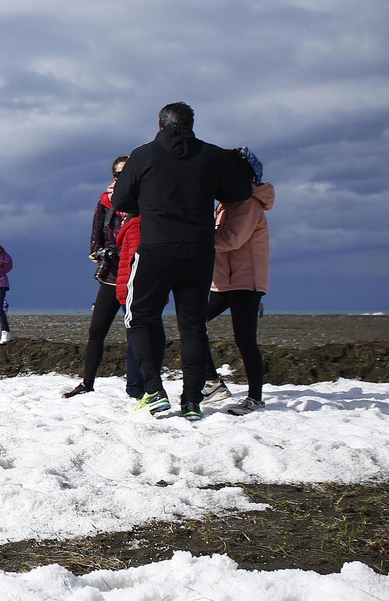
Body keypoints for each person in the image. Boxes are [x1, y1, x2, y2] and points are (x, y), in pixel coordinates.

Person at [112, 101, 253, 421]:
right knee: (192, 327)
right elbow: (241, 190)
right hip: (199, 251)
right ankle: (191, 400)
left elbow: (121, 200)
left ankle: (154, 390)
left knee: (139, 318)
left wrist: (147, 199)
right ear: (191, 126)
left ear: (159, 126)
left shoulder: (143, 154)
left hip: (156, 249)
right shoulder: (211, 154)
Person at [199, 148, 273, 415]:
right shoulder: (226, 205)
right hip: (223, 281)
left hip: (246, 280)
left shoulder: (249, 202)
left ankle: (255, 397)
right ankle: (213, 382)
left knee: (245, 339)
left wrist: (197, 234)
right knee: (193, 322)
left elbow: (231, 239)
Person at [63, 157, 134, 398]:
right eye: (117, 174)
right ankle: (87, 383)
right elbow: (96, 237)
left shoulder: (145, 201)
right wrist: (98, 252)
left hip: (136, 275)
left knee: (136, 330)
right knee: (96, 331)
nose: (120, 178)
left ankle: (137, 385)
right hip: (112, 275)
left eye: (126, 173)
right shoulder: (105, 203)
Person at [114, 214, 164, 402]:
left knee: (144, 337)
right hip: (136, 291)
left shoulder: (134, 225)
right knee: (146, 337)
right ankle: (140, 387)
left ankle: (140, 386)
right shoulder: (138, 226)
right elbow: (139, 262)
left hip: (133, 290)